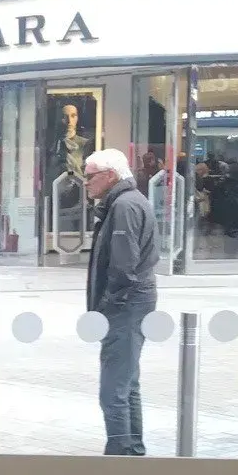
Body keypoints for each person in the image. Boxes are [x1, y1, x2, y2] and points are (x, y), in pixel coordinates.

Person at [84, 147, 158, 455]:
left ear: (110, 175)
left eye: (90, 176)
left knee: (113, 390)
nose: (85, 183)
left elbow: (123, 268)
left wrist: (106, 307)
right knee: (126, 384)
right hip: (131, 303)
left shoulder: (125, 206)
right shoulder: (125, 202)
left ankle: (119, 458)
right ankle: (132, 452)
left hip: (126, 306)